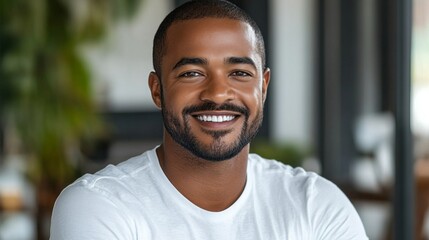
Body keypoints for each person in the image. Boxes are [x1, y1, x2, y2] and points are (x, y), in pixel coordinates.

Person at [50, 0, 368, 239]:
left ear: (264, 86)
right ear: (157, 89)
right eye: (192, 73)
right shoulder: (99, 206)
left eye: (240, 73)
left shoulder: (316, 205)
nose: (217, 93)